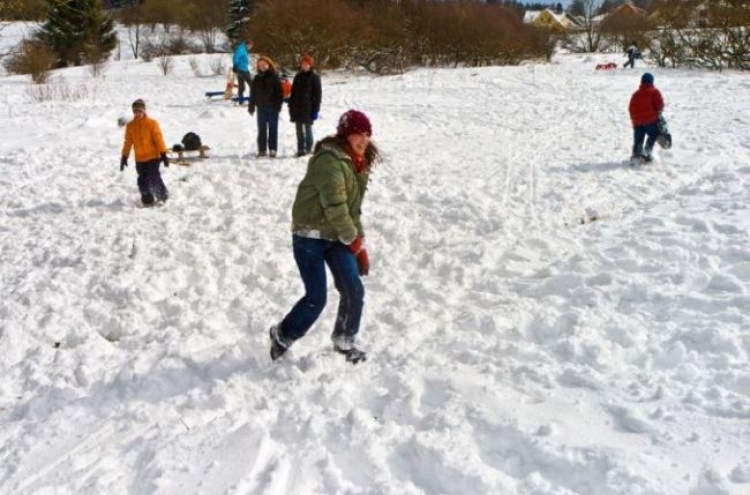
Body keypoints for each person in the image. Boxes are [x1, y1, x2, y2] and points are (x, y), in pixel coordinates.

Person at [269, 110, 381, 364]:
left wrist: (359, 245)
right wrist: (353, 240)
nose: (363, 140)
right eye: (358, 134)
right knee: (316, 296)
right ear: (345, 136)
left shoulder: (356, 163)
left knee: (353, 289)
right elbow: (336, 207)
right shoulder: (329, 161)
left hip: (336, 235)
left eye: (367, 134)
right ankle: (282, 335)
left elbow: (352, 210)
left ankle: (345, 338)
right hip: (309, 235)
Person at [120, 99, 170, 205]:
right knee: (142, 182)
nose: (137, 113)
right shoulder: (130, 126)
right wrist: (124, 156)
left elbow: (158, 139)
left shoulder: (151, 123)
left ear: (143, 111)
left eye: (139, 111)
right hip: (140, 159)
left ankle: (162, 195)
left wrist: (163, 154)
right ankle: (148, 200)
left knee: (153, 178)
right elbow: (128, 142)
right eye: (135, 111)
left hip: (153, 157)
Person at [248, 55, 283, 157]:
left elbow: (279, 93)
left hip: (272, 107)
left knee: (273, 128)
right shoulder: (257, 78)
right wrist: (251, 105)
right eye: (260, 65)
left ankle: (273, 149)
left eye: (264, 65)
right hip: (261, 107)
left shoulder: (274, 76)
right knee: (262, 129)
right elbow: (253, 93)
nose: (262, 67)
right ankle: (262, 149)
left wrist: (278, 105)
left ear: (269, 64)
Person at [288, 54, 322, 158]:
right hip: (297, 107)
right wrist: (291, 105)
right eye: (303, 64)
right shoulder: (298, 76)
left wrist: (316, 110)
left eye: (307, 64)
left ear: (310, 65)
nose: (304, 66)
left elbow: (318, 95)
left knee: (308, 129)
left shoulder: (315, 78)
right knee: (298, 130)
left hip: (308, 108)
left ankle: (309, 147)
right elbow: (293, 92)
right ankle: (300, 148)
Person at [628, 72, 664, 164]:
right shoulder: (654, 92)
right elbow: (660, 105)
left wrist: (634, 119)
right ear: (651, 81)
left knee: (638, 139)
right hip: (650, 120)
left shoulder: (635, 94)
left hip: (637, 121)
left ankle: (636, 155)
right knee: (654, 134)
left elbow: (630, 108)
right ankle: (647, 151)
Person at [232, 37, 253, 103]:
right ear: (248, 44)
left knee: (241, 85)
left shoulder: (243, 49)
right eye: (250, 46)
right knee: (252, 84)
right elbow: (236, 57)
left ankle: (241, 100)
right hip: (241, 69)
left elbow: (243, 60)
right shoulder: (241, 49)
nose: (250, 48)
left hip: (243, 69)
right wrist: (235, 65)